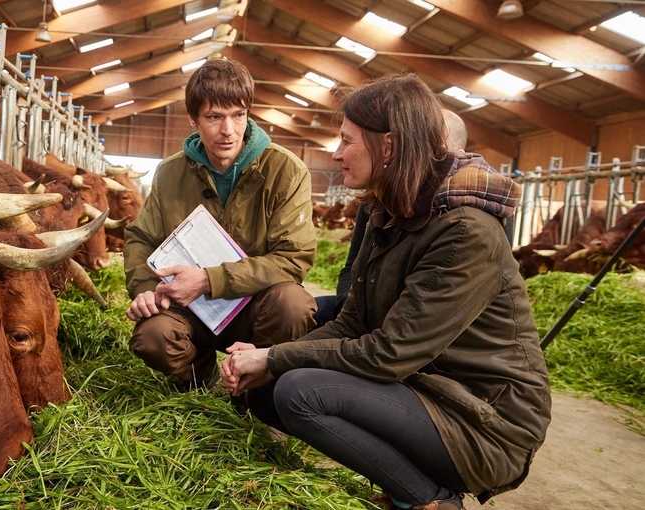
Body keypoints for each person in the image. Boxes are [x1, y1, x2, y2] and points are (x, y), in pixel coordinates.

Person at [221, 74, 551, 510]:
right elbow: (352, 321)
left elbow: (389, 353)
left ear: (389, 147)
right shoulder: (394, 212)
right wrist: (270, 357)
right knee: (271, 388)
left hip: (485, 421)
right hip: (429, 389)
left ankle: (429, 500)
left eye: (346, 141)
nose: (336, 153)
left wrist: (274, 357)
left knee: (299, 391)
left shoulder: (464, 231)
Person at [123, 58, 318, 391]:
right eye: (214, 117)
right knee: (153, 337)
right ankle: (199, 375)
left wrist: (208, 280)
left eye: (238, 115)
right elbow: (141, 237)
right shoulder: (171, 173)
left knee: (293, 306)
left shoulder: (286, 170)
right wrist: (143, 289)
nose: (228, 130)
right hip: (188, 308)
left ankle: (254, 388)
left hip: (253, 308)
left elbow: (293, 258)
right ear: (193, 118)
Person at [313, 109, 469, 326]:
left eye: (438, 152)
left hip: (415, 324)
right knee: (311, 310)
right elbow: (352, 268)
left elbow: (416, 324)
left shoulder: (464, 219)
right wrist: (348, 310)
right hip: (373, 312)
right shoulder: (375, 203)